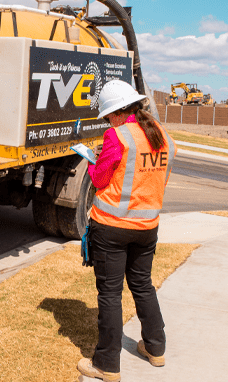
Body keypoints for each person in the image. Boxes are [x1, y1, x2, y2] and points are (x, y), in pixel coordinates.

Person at [77, 79, 177, 382]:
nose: (108, 121)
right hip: (147, 227)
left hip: (112, 227)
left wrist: (93, 161)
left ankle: (107, 364)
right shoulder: (164, 136)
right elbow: (159, 179)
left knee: (109, 294)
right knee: (143, 285)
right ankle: (155, 348)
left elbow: (100, 178)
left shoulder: (117, 136)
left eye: (108, 116)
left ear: (119, 112)